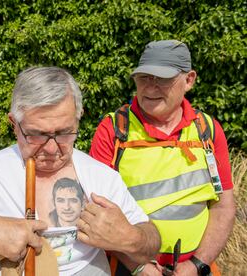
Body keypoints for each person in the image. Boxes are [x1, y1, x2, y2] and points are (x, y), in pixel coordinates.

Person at [0, 66, 161, 275]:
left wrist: (129, 237)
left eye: (64, 132)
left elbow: (151, 241)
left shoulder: (100, 176)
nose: (52, 149)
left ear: (78, 117)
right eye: (37, 134)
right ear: (14, 125)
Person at [90, 40, 236, 276]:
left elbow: (223, 206)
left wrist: (197, 264)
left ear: (189, 80)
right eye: (144, 77)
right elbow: (99, 213)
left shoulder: (207, 129)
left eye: (162, 79)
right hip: (129, 268)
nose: (150, 88)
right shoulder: (113, 130)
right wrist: (139, 266)